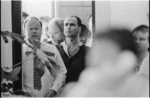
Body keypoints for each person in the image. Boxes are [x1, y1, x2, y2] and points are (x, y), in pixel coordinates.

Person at [60, 28, 149, 97]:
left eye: (104, 52)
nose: (95, 58)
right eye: (95, 50)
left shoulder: (138, 87)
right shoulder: (86, 81)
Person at [22, 16, 67, 97]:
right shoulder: (20, 51)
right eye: (30, 29)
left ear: (41, 31)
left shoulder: (51, 49)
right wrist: (23, 92)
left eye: (37, 28)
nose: (34, 31)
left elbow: (61, 72)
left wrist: (54, 89)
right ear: (24, 31)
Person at [56, 16, 90, 83]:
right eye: (66, 25)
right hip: (59, 91)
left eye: (72, 24)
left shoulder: (88, 51)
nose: (68, 27)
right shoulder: (55, 49)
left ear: (79, 29)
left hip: (79, 90)